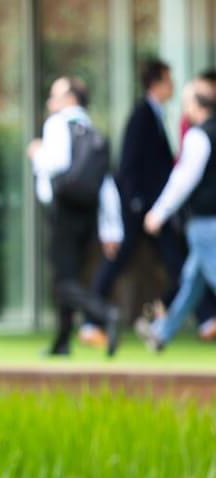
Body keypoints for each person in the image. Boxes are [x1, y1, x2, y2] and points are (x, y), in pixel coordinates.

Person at [82, 60, 216, 346]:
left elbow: (178, 177)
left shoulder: (189, 130)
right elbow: (132, 165)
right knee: (180, 271)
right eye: (169, 81)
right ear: (155, 83)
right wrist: (140, 206)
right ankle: (101, 324)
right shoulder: (143, 116)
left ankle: (191, 323)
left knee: (188, 269)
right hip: (140, 208)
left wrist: (159, 210)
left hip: (162, 211)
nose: (174, 89)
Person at [28, 76, 124, 357]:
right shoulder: (92, 130)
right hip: (88, 213)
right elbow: (107, 185)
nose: (50, 101)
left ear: (71, 99)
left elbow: (55, 163)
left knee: (62, 280)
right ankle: (62, 341)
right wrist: (112, 229)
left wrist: (36, 153)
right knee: (70, 275)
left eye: (55, 95)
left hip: (64, 210)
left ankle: (103, 313)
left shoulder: (57, 124)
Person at [137, 78, 216, 351]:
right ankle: (162, 333)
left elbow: (183, 179)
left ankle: (161, 332)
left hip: (206, 221)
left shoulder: (199, 135)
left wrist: (159, 212)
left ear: (196, 104)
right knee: (192, 281)